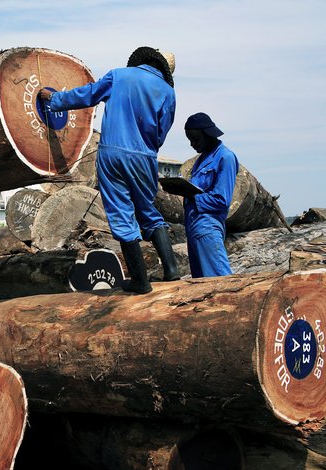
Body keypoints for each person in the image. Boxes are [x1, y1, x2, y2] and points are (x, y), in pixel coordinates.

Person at [38, 47, 178, 294]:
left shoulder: (120, 76)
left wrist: (54, 100)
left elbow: (88, 95)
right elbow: (162, 131)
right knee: (148, 211)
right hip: (146, 157)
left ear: (143, 60)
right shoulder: (168, 92)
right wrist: (144, 148)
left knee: (122, 214)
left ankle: (140, 282)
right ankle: (171, 270)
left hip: (113, 153)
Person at [183, 112, 237, 277]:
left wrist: (192, 196)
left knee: (220, 282)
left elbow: (221, 200)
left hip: (207, 229)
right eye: (190, 140)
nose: (192, 144)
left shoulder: (225, 157)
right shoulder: (201, 159)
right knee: (200, 285)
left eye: (195, 139)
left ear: (207, 135)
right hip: (193, 229)